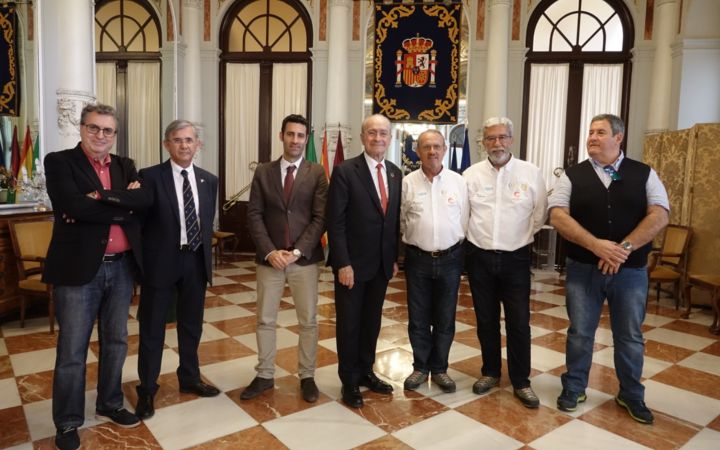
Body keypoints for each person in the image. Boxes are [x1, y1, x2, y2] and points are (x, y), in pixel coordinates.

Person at [43, 103, 152, 450]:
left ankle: (110, 402)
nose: (101, 135)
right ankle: (68, 421)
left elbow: (145, 200)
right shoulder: (59, 162)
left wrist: (102, 198)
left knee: (117, 341)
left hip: (121, 267)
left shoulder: (125, 165)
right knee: (73, 349)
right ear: (82, 128)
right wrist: (122, 205)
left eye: (108, 130)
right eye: (94, 128)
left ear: (114, 134)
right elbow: (72, 206)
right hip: (78, 269)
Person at [549, 113, 669, 424]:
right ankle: (574, 387)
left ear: (618, 138)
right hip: (583, 269)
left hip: (630, 272)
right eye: (590, 132)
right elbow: (558, 215)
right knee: (580, 332)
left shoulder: (644, 173)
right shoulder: (572, 175)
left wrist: (621, 250)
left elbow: (659, 214)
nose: (592, 137)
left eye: (600, 132)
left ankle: (630, 394)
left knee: (629, 335)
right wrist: (596, 245)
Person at [134, 120, 220, 420]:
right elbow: (139, 225)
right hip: (161, 264)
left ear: (198, 144)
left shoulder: (210, 180)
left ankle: (190, 378)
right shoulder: (149, 177)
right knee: (153, 328)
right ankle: (146, 388)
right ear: (166, 144)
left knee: (191, 326)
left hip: (195, 262)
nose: (184, 145)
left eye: (189, 140)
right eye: (177, 140)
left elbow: (206, 223)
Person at [242, 114, 328, 402]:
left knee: (308, 321)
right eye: (290, 134)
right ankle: (265, 374)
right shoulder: (264, 171)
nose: (295, 140)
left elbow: (320, 217)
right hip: (270, 260)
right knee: (265, 319)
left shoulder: (316, 172)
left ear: (306, 139)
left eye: (300, 136)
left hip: (303, 260)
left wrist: (296, 252)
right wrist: (270, 251)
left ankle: (307, 376)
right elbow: (254, 214)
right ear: (281, 136)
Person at [463, 117, 547, 408]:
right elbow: (464, 216)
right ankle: (490, 372)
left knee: (519, 322)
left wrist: (518, 238)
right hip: (480, 257)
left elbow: (539, 216)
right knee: (485, 320)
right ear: (483, 142)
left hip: (516, 258)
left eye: (502, 138)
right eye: (490, 139)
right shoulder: (470, 175)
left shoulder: (531, 173)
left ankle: (521, 381)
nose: (496, 144)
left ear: (511, 139)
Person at [326, 114, 402, 408]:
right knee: (349, 325)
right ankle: (349, 381)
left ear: (390, 138)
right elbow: (336, 222)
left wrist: (394, 258)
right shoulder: (345, 171)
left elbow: (392, 222)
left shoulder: (395, 173)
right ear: (362, 137)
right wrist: (342, 263)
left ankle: (366, 371)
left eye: (383, 133)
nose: (378, 138)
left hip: (382, 266)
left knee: (371, 323)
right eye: (372, 133)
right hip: (352, 268)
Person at [401, 130, 468, 393]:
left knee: (445, 318)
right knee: (418, 317)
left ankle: (439, 368)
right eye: (426, 147)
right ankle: (420, 367)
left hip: (451, 259)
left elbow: (465, 219)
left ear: (444, 149)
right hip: (417, 259)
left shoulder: (458, 182)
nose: (432, 152)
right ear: (417, 151)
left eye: (437, 146)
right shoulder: (407, 182)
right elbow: (402, 220)